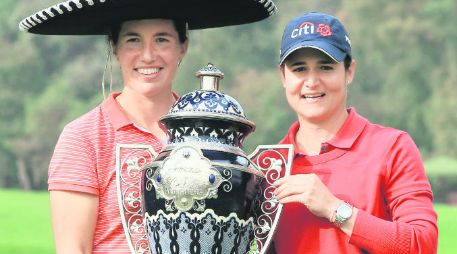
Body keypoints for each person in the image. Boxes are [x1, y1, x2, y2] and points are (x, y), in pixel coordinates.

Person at [18, 0, 277, 253]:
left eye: (162, 39)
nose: (148, 55)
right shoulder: (84, 138)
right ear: (114, 46)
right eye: (133, 40)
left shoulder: (213, 131)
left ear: (182, 46)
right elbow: (74, 248)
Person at [271, 12, 438, 253]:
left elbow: (422, 243)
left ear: (349, 71)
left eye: (326, 67)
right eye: (299, 69)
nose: (311, 81)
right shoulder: (270, 164)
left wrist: (334, 209)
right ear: (283, 76)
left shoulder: (392, 147)